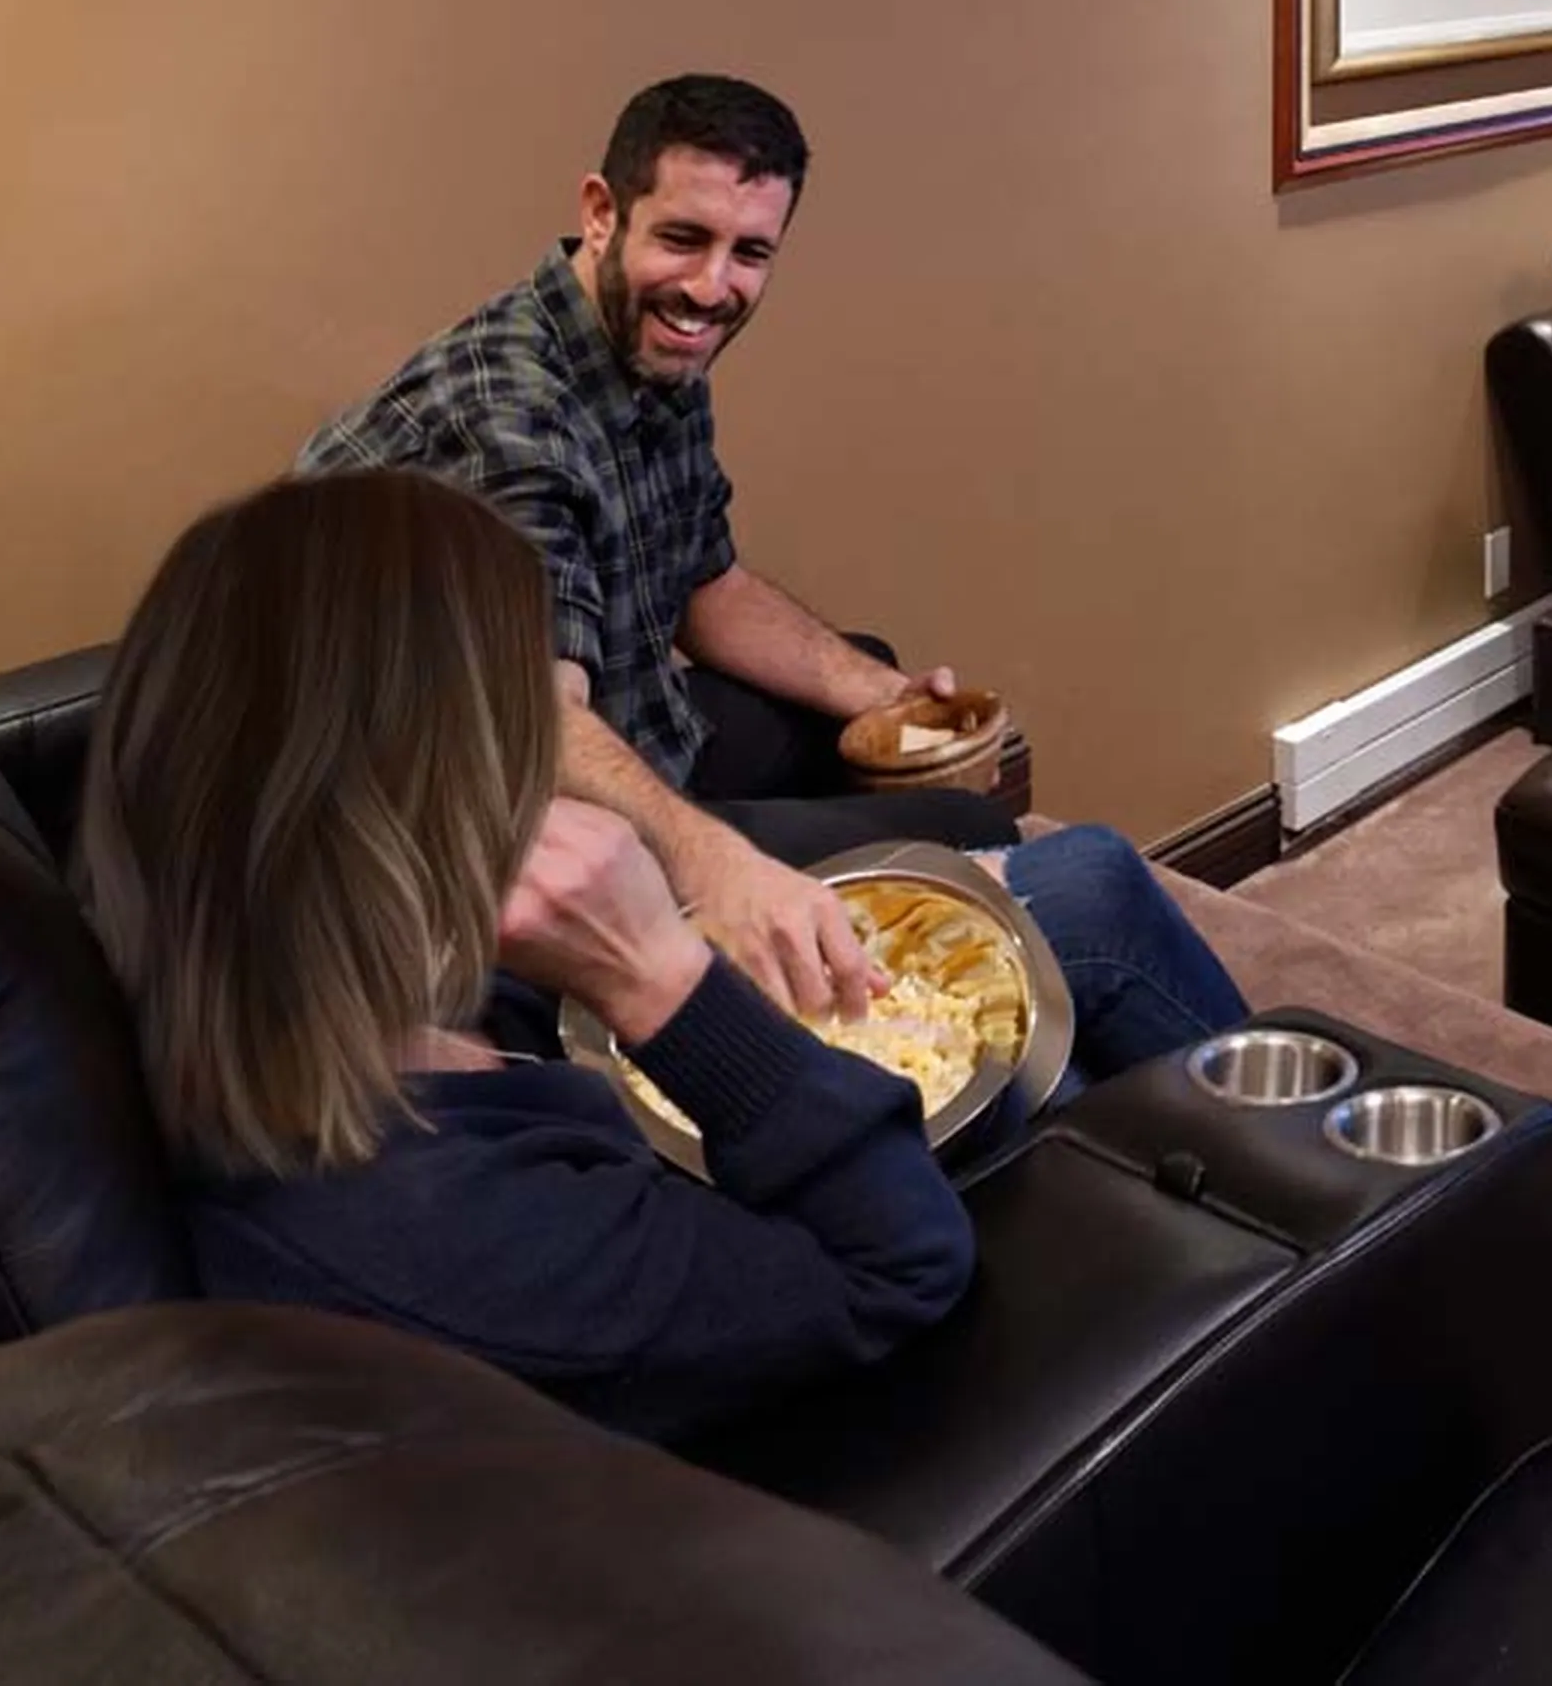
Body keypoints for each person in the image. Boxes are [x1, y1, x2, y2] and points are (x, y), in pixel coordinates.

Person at [301, 78, 1244, 1039]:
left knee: (860, 696)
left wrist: (888, 695)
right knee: (996, 848)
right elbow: (533, 721)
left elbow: (706, 587)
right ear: (600, 211)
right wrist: (720, 868)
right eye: (683, 238)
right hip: (452, 836)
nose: (713, 287)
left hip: (590, 711)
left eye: (749, 252)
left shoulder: (648, 345)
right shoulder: (507, 418)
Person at [75, 467, 976, 1443]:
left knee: (1025, 874)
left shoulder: (306, 987)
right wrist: (660, 976)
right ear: (417, 797)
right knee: (1092, 897)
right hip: (843, 1409)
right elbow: (903, 1264)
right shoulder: (439, 1237)